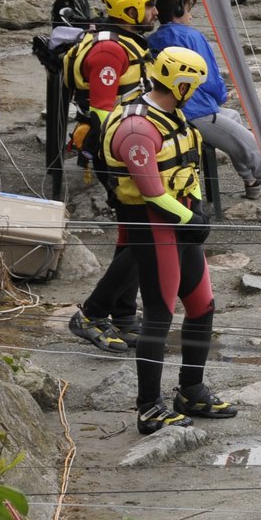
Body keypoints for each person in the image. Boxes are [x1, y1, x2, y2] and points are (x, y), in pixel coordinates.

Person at [100, 46, 239, 434]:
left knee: (202, 306)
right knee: (159, 316)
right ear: (180, 84)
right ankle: (148, 406)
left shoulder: (171, 114)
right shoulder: (137, 129)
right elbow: (149, 191)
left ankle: (191, 389)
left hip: (179, 220)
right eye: (192, 86)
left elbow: (183, 171)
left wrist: (195, 208)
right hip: (153, 224)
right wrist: (189, 217)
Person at [148, 0, 261, 220]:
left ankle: (251, 181)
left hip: (172, 110)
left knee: (232, 117)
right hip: (195, 113)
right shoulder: (192, 36)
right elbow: (209, 79)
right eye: (189, 10)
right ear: (180, 9)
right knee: (256, 149)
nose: (191, 15)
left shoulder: (154, 38)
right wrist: (221, 95)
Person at [65, 0, 160, 354]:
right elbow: (104, 109)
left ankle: (122, 314)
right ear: (131, 8)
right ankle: (93, 312)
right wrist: (129, 153)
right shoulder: (109, 52)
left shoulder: (126, 42)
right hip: (115, 151)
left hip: (127, 145)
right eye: (150, 5)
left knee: (134, 233)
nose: (155, 11)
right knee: (145, 238)